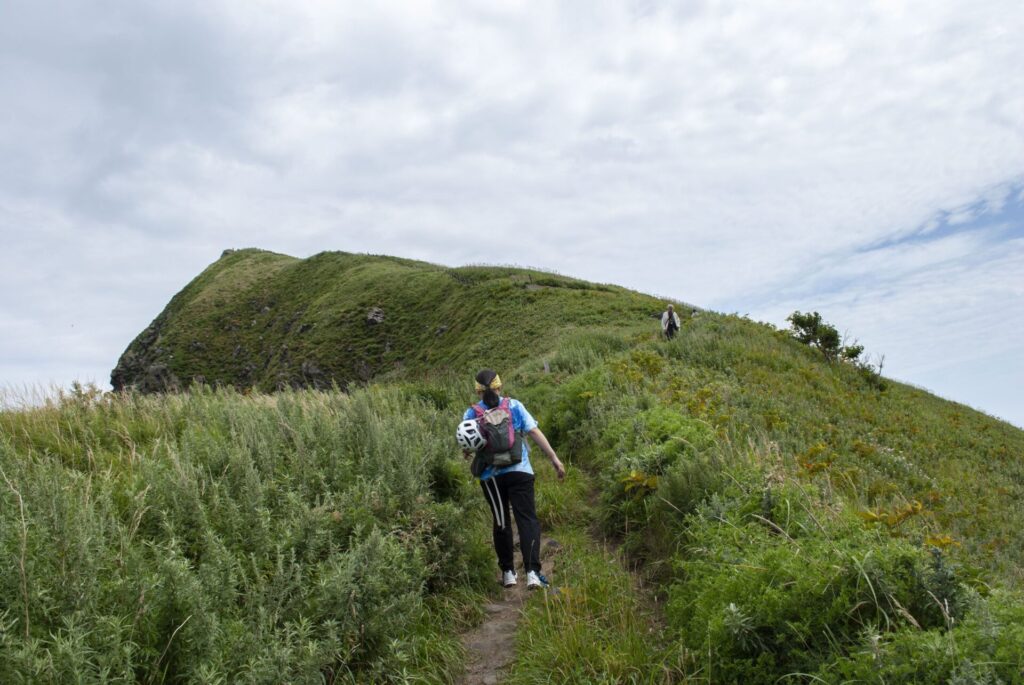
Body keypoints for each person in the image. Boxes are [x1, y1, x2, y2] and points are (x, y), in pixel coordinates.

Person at [460, 369, 565, 590]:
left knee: (501, 521)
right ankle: (533, 573)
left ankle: (508, 572)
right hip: (520, 471)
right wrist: (554, 458)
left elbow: (467, 447)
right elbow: (534, 432)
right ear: (499, 386)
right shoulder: (514, 405)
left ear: (478, 391)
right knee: (527, 520)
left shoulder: (471, 413)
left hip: (491, 478)